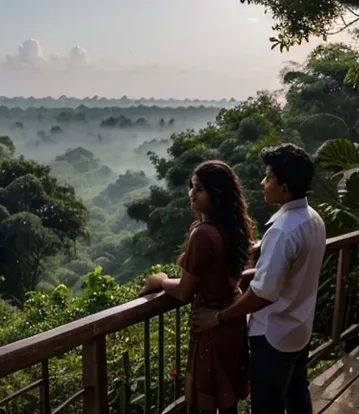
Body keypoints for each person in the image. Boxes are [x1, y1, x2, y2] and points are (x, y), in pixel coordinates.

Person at [192, 143, 326, 414]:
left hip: (273, 336)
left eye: (269, 177)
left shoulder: (283, 231)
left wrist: (218, 317)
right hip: (299, 328)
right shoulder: (312, 219)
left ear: (285, 186)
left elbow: (262, 294)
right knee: (297, 394)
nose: (263, 182)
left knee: (268, 405)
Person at [140, 160, 255, 414]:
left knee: (205, 404)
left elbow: (184, 292)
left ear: (217, 194)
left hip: (210, 323)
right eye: (192, 186)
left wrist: (159, 280)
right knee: (228, 405)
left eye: (199, 188)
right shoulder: (233, 227)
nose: (191, 193)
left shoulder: (203, 235)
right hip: (231, 322)